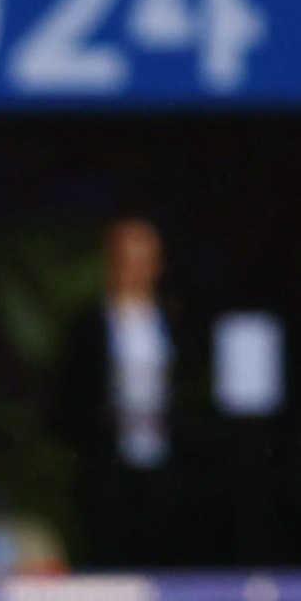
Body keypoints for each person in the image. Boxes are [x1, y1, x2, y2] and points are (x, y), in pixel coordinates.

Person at [52, 215, 189, 567]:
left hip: (163, 461)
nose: (133, 270)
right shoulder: (88, 324)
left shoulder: (174, 321)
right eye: (125, 260)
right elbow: (69, 396)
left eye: (143, 261)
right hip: (106, 463)